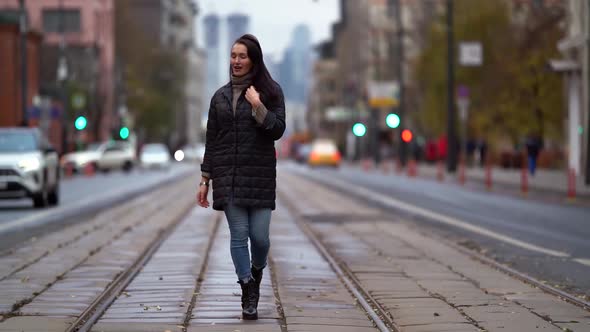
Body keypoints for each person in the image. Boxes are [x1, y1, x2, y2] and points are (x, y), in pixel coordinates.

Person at [196, 34, 285, 320]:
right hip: (229, 176)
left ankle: (256, 273)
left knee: (260, 239)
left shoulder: (271, 92)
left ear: (254, 60)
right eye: (233, 56)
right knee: (239, 236)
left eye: (242, 56)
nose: (236, 61)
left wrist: (258, 105)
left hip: (258, 177)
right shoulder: (219, 97)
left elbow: (277, 130)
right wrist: (205, 179)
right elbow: (213, 139)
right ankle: (247, 288)